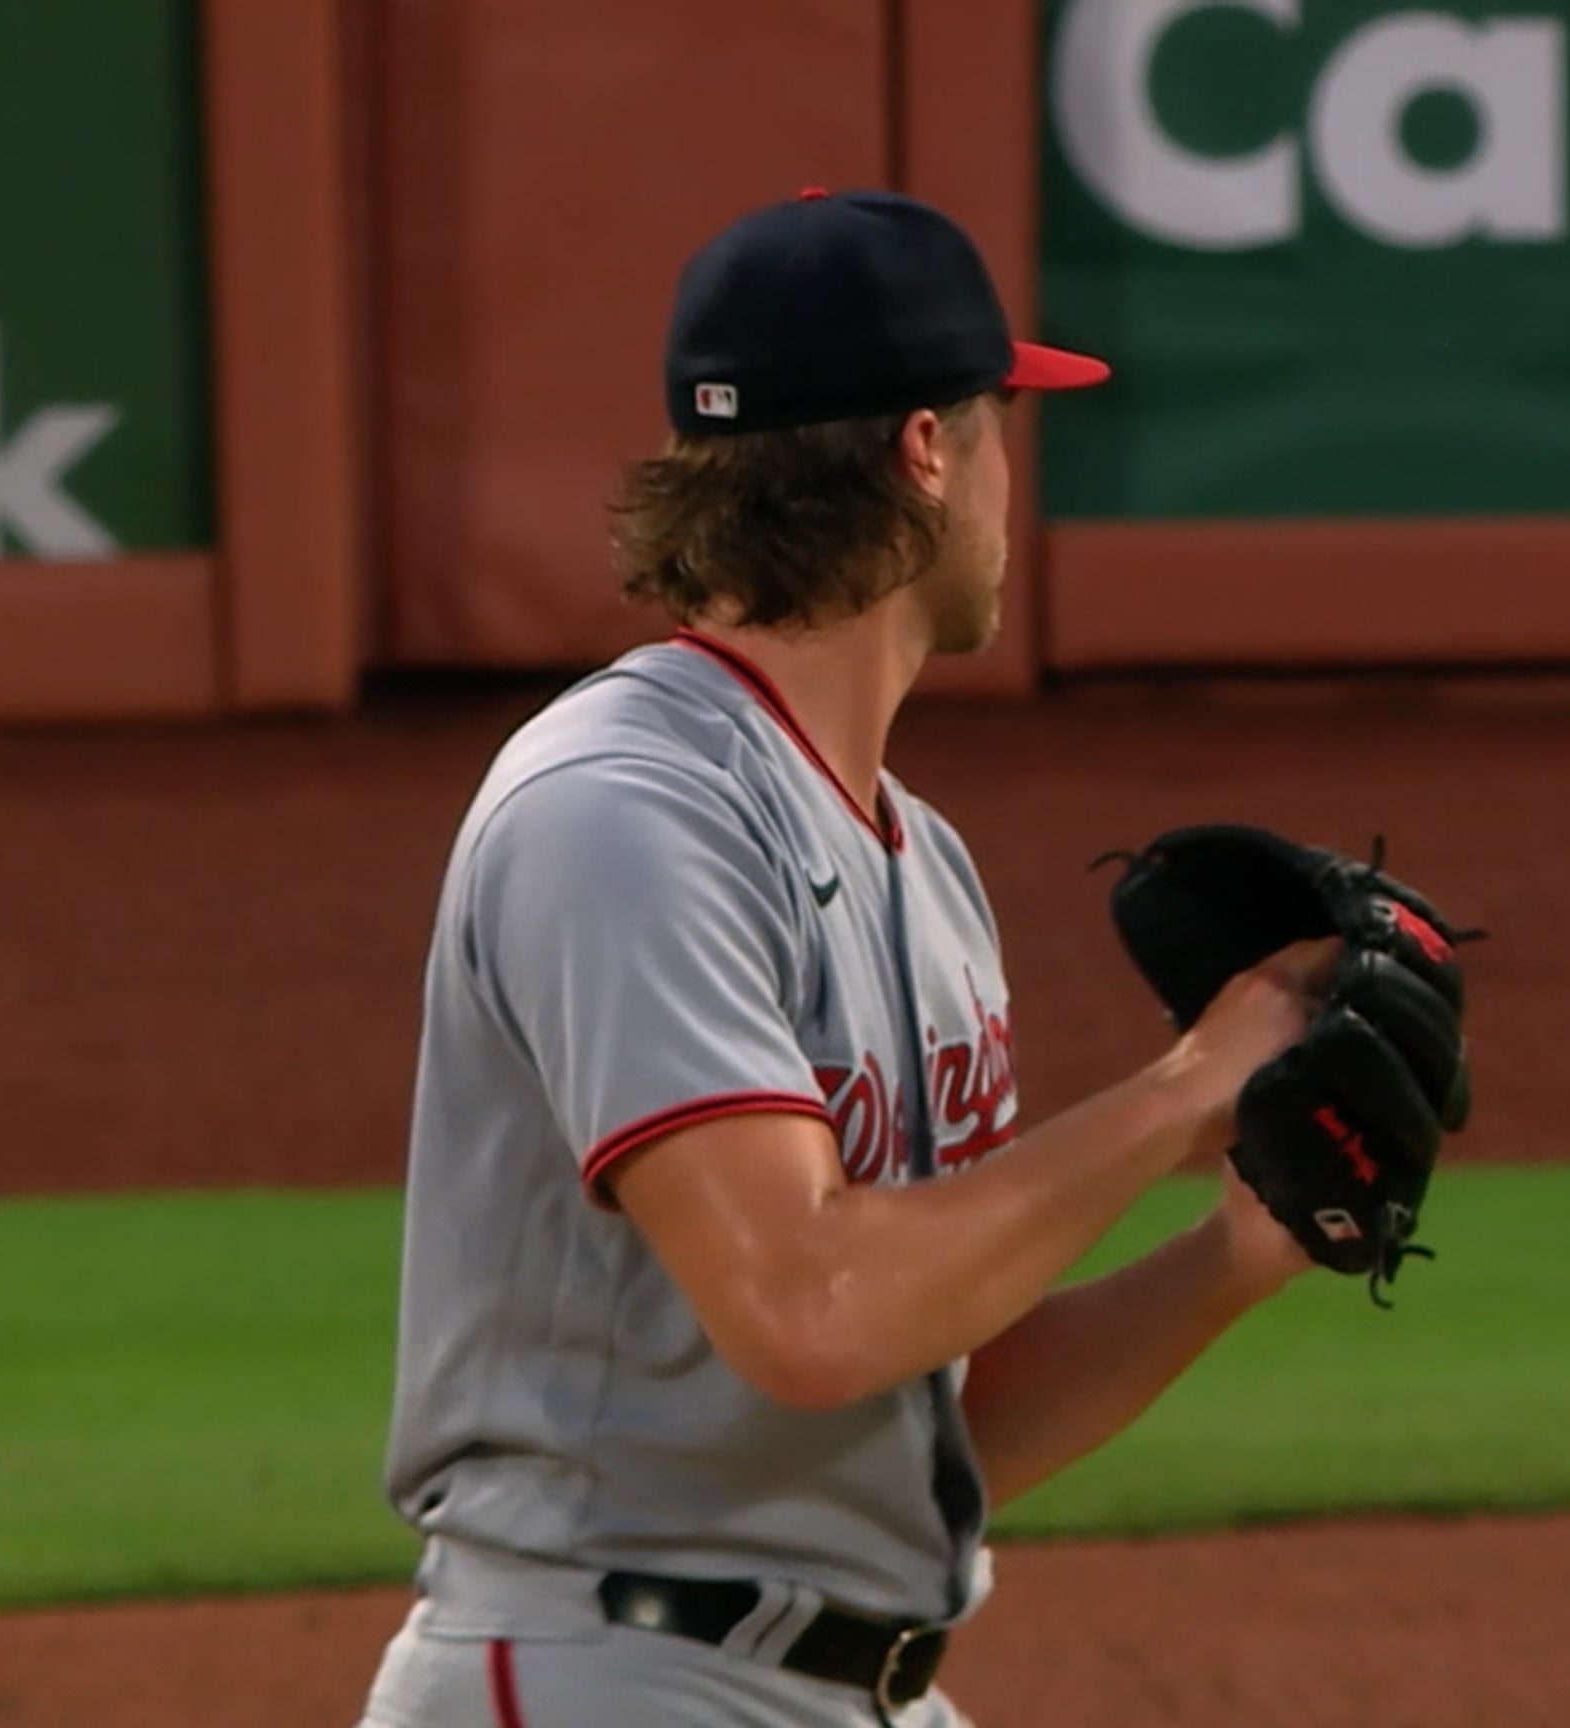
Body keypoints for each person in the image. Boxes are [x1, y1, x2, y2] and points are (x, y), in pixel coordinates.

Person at [353, 187, 1331, 1728]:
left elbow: (926, 1412)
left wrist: (1235, 1253)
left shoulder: (917, 860)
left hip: (848, 1693)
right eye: (1002, 426)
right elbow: (811, 1315)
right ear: (924, 452)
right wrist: (1190, 1086)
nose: (1016, 481)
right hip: (612, 1677)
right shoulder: (623, 811)